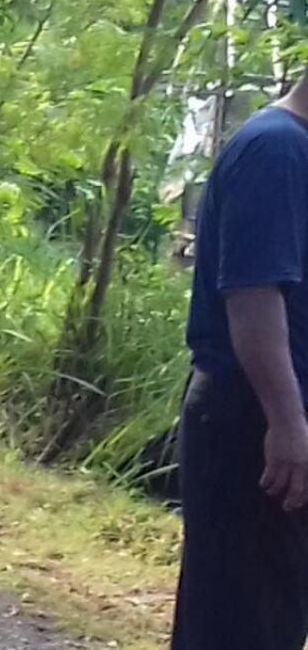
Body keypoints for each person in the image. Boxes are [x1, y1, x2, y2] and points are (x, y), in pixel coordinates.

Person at [177, 70, 308, 650]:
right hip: (252, 420)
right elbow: (253, 300)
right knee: (241, 623)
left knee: (274, 614)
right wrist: (287, 422)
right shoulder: (275, 149)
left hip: (281, 419)